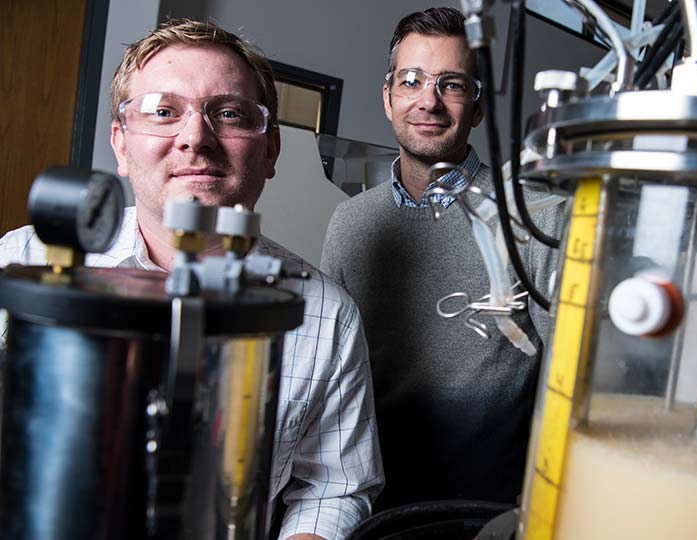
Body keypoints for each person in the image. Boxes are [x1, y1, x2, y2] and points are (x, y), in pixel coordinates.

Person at [0, 19, 383, 540]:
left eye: (228, 113)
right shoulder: (22, 259)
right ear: (121, 143)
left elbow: (334, 487)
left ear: (270, 150)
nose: (195, 138)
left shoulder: (325, 313)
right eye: (163, 112)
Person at [321, 7, 562, 510]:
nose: (428, 101)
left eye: (452, 85)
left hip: (481, 514)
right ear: (388, 97)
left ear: (476, 109)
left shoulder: (537, 217)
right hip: (364, 505)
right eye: (411, 80)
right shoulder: (351, 223)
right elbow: (333, 376)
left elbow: (567, 384)